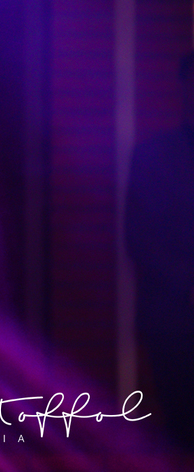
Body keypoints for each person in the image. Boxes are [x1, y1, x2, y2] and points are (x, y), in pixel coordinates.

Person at [125, 51, 194, 451]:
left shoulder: (152, 156)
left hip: (172, 315)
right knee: (181, 429)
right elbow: (140, 238)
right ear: (184, 90)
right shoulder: (153, 157)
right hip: (174, 322)